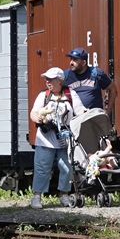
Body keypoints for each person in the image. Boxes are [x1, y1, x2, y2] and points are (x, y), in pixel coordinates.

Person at [29, 67, 85, 209]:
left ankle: (64, 195)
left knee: (67, 168)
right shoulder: (44, 95)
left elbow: (79, 110)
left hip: (65, 138)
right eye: (46, 79)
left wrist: (85, 112)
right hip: (45, 139)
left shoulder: (70, 94)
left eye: (50, 79)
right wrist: (40, 119)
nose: (47, 81)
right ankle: (37, 197)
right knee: (42, 168)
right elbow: (34, 113)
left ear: (60, 81)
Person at [64, 47, 113, 112]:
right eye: (71, 59)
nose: (71, 63)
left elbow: (113, 89)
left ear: (84, 63)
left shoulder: (96, 73)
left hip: (94, 119)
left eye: (75, 60)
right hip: (74, 120)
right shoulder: (65, 76)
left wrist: (108, 112)